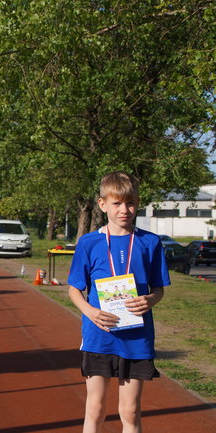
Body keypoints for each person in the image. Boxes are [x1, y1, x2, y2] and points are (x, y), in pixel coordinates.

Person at [67, 171, 169, 433]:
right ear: (103, 204)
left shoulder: (150, 242)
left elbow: (158, 289)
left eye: (130, 203)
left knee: (130, 411)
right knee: (95, 408)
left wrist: (150, 299)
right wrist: (90, 312)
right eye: (117, 203)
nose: (124, 210)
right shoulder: (89, 243)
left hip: (137, 336)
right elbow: (74, 290)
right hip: (99, 335)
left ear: (137, 203)